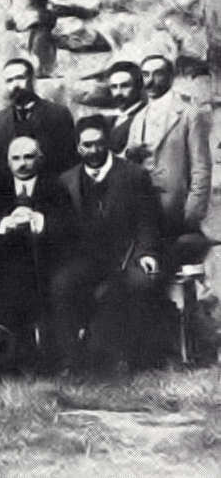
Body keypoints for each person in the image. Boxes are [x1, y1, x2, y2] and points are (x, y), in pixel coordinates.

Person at [51, 116, 163, 373]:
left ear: (108, 142)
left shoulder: (134, 175)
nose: (94, 150)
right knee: (61, 284)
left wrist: (147, 253)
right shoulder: (67, 181)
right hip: (86, 259)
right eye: (87, 145)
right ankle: (72, 361)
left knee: (139, 283)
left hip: (126, 255)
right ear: (78, 147)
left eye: (99, 143)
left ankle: (132, 358)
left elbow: (148, 222)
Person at [0, 135, 76, 366]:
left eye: (28, 157)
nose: (22, 164)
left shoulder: (55, 187)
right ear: (8, 161)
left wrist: (39, 220)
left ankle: (52, 357)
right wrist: (4, 224)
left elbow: (67, 227)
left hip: (46, 262)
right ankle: (10, 357)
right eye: (16, 158)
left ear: (40, 159)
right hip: (6, 263)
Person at [125, 55, 212, 249]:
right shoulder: (139, 118)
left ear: (171, 76)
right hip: (144, 209)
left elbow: (201, 167)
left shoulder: (189, 113)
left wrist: (192, 212)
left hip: (175, 209)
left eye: (157, 74)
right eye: (145, 74)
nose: (150, 81)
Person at [0, 58, 77, 182]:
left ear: (32, 79)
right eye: (9, 80)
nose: (15, 85)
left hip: (49, 189)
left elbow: (70, 161)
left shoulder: (58, 114)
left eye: (20, 78)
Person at [106, 60, 146, 154]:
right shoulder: (110, 120)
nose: (118, 93)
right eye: (114, 87)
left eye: (124, 86)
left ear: (138, 86)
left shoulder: (146, 116)